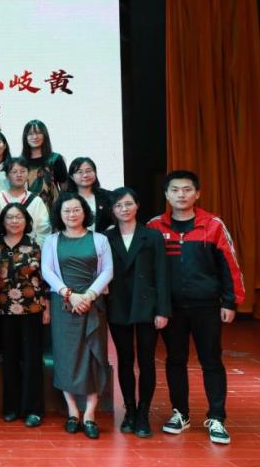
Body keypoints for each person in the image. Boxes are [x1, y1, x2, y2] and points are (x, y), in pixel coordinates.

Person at [148, 170, 244, 445]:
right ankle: (180, 413)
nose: (181, 194)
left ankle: (217, 417)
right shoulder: (154, 227)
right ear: (166, 195)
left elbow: (230, 265)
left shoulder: (213, 225)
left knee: (211, 360)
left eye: (187, 189)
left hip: (207, 306)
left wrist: (230, 301)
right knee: (175, 360)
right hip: (171, 308)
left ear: (197, 193)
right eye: (175, 190)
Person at [41, 192, 114, 440]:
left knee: (94, 355)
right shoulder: (52, 241)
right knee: (66, 357)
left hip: (93, 303)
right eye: (67, 211)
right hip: (64, 304)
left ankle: (90, 413)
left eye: (76, 210)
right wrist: (69, 295)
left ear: (85, 212)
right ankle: (73, 412)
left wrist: (88, 296)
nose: (72, 214)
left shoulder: (100, 239)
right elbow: (47, 271)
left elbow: (107, 271)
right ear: (59, 215)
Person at [106, 187, 169, 438]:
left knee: (146, 361)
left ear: (137, 205)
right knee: (124, 360)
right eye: (118, 205)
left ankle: (144, 412)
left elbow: (162, 274)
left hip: (147, 305)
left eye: (128, 204)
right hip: (118, 303)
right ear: (112, 210)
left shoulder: (152, 236)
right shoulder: (106, 237)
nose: (124, 209)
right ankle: (129, 410)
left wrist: (162, 310)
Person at [0, 203, 49, 428]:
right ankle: (11, 407)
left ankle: (33, 409)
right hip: (3, 310)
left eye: (19, 217)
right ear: (3, 221)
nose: (14, 221)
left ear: (26, 220)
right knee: (9, 359)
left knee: (32, 360)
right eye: (10, 217)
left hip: (31, 309)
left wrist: (46, 307)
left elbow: (44, 279)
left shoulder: (35, 245)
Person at [0, 158, 51, 246]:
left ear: (28, 174)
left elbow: (44, 230)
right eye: (14, 172)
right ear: (7, 175)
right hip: (1, 248)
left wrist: (36, 248)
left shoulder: (36, 201)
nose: (19, 175)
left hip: (30, 249)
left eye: (23, 171)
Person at [21, 120, 69, 211]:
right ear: (25, 137)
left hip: (52, 210)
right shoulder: (20, 162)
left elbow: (65, 189)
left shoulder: (56, 159)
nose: (35, 137)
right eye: (30, 134)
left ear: (45, 135)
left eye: (38, 133)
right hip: (27, 211)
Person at [69, 157, 114, 232]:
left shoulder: (107, 196)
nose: (85, 175)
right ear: (72, 177)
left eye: (88, 171)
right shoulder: (66, 199)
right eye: (80, 172)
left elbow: (116, 219)